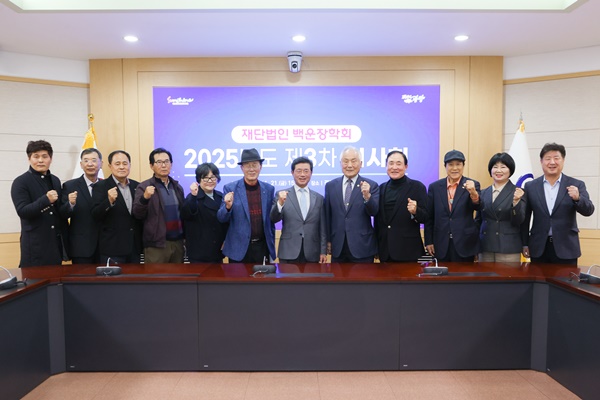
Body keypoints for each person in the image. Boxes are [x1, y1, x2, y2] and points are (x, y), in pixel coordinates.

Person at [522, 143, 595, 264]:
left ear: (563, 160)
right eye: (548, 158)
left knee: (566, 277)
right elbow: (525, 217)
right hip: (538, 247)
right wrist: (525, 243)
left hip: (567, 248)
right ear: (541, 161)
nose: (552, 162)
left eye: (556, 158)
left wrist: (578, 198)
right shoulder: (530, 186)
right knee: (537, 277)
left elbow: (589, 210)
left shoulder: (576, 184)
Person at [11, 140, 68, 267]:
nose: (40, 160)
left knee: (56, 278)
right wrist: (45, 200)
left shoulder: (55, 180)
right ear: (29, 159)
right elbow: (23, 211)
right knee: (33, 279)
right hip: (34, 246)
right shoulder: (20, 182)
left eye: (44, 156)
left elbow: (58, 211)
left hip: (55, 245)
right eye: (36, 156)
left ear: (51, 159)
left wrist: (70, 204)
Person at [217, 148, 276, 263]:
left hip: (262, 247)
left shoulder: (268, 189)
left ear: (260, 167)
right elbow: (221, 218)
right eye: (248, 166)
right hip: (238, 249)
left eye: (254, 165)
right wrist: (227, 207)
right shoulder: (230, 188)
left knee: (263, 275)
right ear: (242, 168)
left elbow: (271, 220)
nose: (251, 169)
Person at [324, 146, 379, 263]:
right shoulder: (330, 186)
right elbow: (327, 216)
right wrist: (328, 240)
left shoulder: (371, 185)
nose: (349, 165)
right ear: (340, 163)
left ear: (361, 164)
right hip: (338, 247)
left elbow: (374, 212)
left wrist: (367, 196)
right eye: (346, 161)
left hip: (362, 247)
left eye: (354, 161)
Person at [424, 149, 481, 262]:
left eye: (458, 164)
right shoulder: (435, 187)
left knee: (464, 273)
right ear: (445, 166)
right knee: (442, 273)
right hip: (440, 244)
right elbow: (429, 216)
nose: (455, 168)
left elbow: (478, 207)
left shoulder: (472, 184)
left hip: (465, 243)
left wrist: (474, 193)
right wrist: (428, 241)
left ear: (463, 166)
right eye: (450, 164)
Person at [270, 156, 327, 263]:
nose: (302, 174)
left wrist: (323, 251)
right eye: (299, 171)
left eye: (306, 171)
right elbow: (273, 219)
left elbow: (322, 227)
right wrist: (280, 204)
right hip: (288, 251)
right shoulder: (282, 195)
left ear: (311, 173)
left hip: (312, 252)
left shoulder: (319, 198)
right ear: (292, 173)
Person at [132, 148, 185, 264]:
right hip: (156, 245)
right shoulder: (144, 187)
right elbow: (137, 213)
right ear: (151, 166)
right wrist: (145, 198)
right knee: (156, 276)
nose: (164, 165)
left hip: (177, 243)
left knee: (179, 275)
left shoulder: (177, 187)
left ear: (171, 164)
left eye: (166, 161)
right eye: (159, 162)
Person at [375, 150, 428, 262]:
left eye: (398, 164)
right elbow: (377, 221)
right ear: (386, 166)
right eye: (391, 163)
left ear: (406, 166)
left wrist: (416, 211)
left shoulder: (417, 187)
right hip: (385, 251)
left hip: (409, 251)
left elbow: (427, 217)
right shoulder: (381, 188)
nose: (394, 167)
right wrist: (376, 247)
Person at [91, 150, 142, 264]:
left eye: (125, 163)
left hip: (134, 248)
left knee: (136, 275)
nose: (121, 167)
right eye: (117, 164)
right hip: (112, 248)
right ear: (110, 166)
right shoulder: (100, 186)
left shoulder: (137, 186)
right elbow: (95, 214)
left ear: (130, 165)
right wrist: (109, 201)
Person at [477, 152, 526, 263]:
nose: (498, 170)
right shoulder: (483, 193)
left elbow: (520, 220)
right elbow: (479, 221)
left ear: (510, 170)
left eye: (503, 167)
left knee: (507, 275)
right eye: (495, 167)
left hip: (508, 248)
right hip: (485, 247)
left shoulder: (518, 192)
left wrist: (516, 203)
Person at [60, 148, 103, 264]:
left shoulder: (107, 186)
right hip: (81, 247)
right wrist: (70, 204)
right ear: (81, 164)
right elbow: (62, 214)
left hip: (105, 246)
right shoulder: (70, 186)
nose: (90, 164)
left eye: (94, 160)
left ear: (101, 164)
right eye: (86, 160)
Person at [181, 163, 228, 263]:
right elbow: (187, 214)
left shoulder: (221, 197)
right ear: (199, 179)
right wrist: (193, 196)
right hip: (199, 253)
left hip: (217, 251)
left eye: (213, 177)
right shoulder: (193, 197)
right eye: (206, 178)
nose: (210, 181)